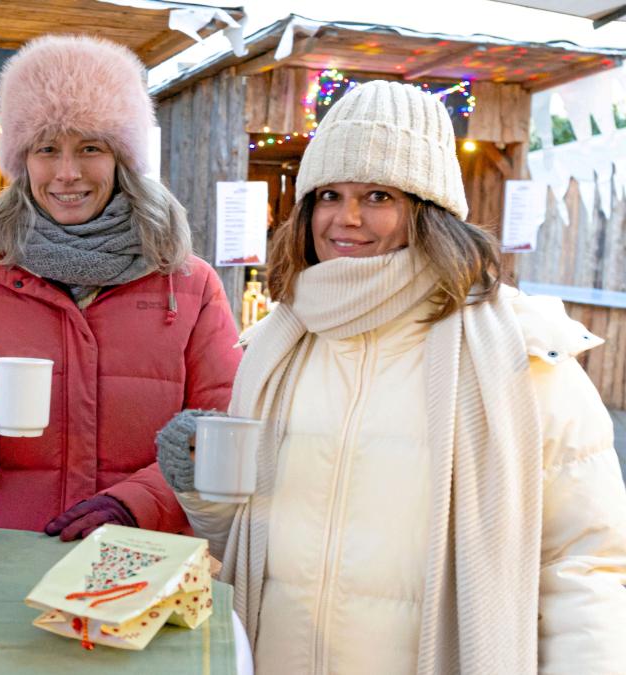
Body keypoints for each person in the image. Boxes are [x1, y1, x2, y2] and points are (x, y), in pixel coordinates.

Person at [157, 80, 626, 673]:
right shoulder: (277, 348)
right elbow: (247, 542)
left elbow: (583, 563)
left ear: (428, 212)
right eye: (329, 194)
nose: (346, 219)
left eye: (378, 195)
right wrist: (204, 491)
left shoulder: (523, 355)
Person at [0, 35, 241, 541]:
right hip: (14, 557)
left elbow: (220, 435)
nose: (67, 172)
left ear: (122, 159)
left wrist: (136, 505)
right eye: (46, 148)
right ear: (22, 163)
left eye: (90, 148)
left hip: (141, 556)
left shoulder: (189, 285)